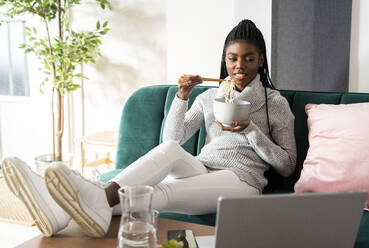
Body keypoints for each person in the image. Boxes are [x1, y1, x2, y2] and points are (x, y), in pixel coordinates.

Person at [2, 19, 296, 238]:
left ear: (261, 60)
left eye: (249, 58)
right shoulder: (210, 97)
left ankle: (68, 205)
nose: (240, 66)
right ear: (225, 60)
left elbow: (286, 165)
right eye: (233, 58)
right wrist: (182, 97)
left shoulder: (274, 103)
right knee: (168, 150)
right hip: (203, 168)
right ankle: (70, 207)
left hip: (242, 182)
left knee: (162, 191)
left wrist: (249, 130)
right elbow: (171, 141)